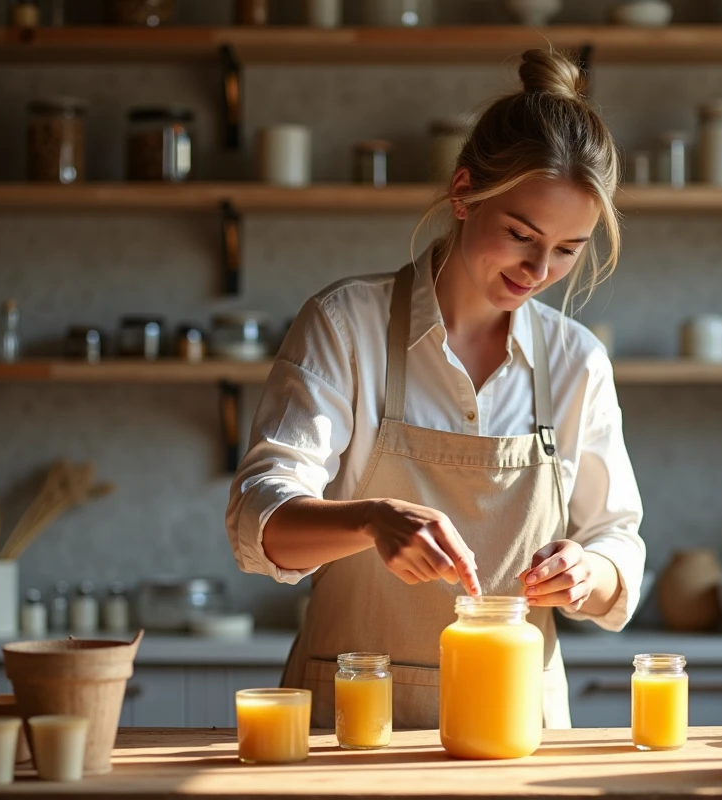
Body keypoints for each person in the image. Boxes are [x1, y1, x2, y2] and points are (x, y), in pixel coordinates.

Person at [225, 48, 645, 730]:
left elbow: (618, 543)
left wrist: (588, 574)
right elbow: (258, 520)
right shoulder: (345, 325)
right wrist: (368, 520)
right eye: (520, 234)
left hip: (520, 731)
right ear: (462, 193)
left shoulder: (576, 362)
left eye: (569, 248)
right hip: (355, 727)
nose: (540, 269)